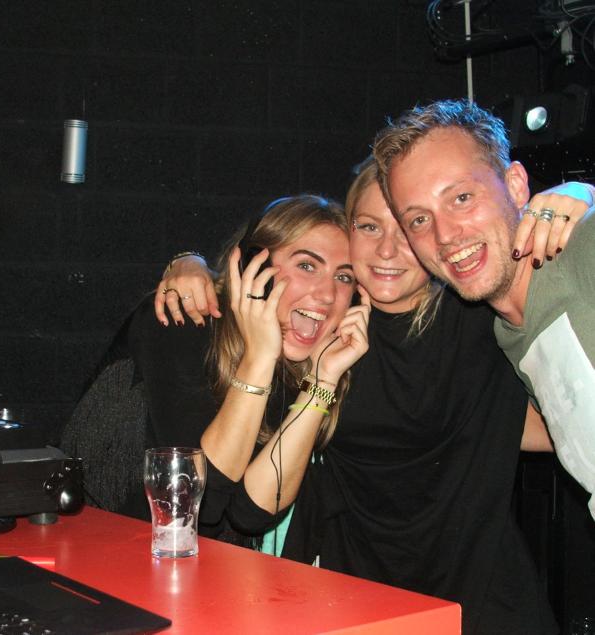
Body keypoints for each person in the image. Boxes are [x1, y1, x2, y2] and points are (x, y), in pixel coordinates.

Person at [154, 159, 595, 634]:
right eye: (368, 227)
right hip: (361, 604)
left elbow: (541, 416)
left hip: (488, 605)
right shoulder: (332, 334)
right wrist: (191, 262)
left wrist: (581, 192)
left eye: (407, 227)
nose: (387, 249)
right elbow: (246, 508)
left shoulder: (477, 308)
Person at [61, 194, 369, 547]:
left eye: (344, 277)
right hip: (98, 557)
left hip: (195, 570)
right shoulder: (181, 320)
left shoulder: (297, 366)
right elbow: (198, 506)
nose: (328, 294)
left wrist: (322, 382)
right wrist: (259, 358)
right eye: (307, 266)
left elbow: (253, 514)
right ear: (253, 267)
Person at [373, 99, 595, 520]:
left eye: (461, 197)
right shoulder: (508, 334)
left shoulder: (584, 248)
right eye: (419, 219)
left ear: (515, 186)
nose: (445, 234)